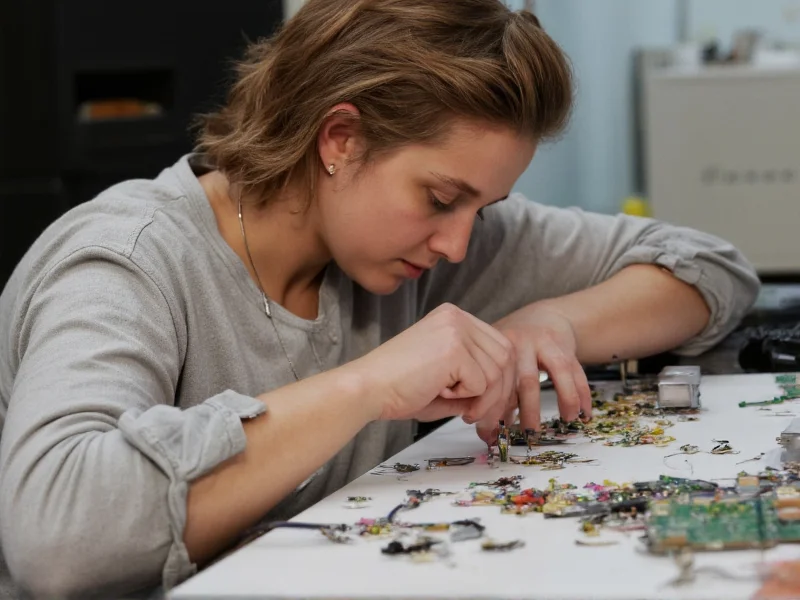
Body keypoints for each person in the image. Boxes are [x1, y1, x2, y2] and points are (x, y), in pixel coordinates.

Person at [0, 0, 759, 597]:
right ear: (340, 140)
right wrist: (367, 386)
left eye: (483, 210)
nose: (459, 245)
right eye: (440, 198)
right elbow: (57, 545)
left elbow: (710, 269)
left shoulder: (421, 248)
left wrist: (550, 319)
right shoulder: (123, 260)